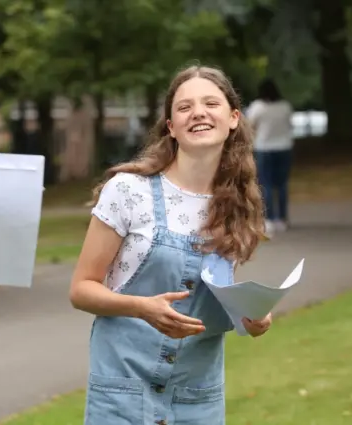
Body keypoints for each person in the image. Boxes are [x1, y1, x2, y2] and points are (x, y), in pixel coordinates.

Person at [69, 65, 271, 425]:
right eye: (184, 107)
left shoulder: (235, 204)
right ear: (171, 127)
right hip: (123, 394)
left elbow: (213, 297)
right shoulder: (129, 190)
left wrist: (251, 318)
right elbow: (81, 290)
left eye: (211, 103)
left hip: (198, 398)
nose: (198, 112)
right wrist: (142, 308)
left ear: (233, 118)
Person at [245, 78, 294, 237]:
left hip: (264, 147)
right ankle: (282, 218)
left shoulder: (257, 107)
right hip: (284, 147)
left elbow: (250, 126)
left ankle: (269, 218)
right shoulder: (285, 106)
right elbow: (289, 125)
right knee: (281, 185)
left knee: (265, 183)